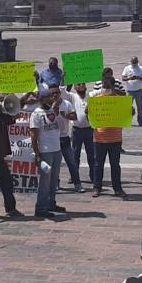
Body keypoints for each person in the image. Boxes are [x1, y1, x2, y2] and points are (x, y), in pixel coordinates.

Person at [29, 85, 66, 217]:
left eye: (52, 96)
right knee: (45, 181)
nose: (52, 98)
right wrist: (38, 155)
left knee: (54, 180)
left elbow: (60, 127)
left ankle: (51, 203)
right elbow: (33, 137)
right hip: (45, 151)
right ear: (42, 99)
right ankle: (40, 208)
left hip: (57, 149)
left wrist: (57, 112)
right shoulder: (36, 114)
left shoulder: (52, 110)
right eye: (49, 96)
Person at [92, 74, 129, 199]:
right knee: (98, 164)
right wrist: (88, 112)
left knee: (115, 165)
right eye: (104, 85)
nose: (105, 87)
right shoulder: (97, 100)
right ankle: (97, 187)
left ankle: (117, 188)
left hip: (115, 139)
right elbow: (90, 120)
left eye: (108, 85)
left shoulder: (120, 101)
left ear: (113, 86)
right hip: (99, 138)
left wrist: (130, 110)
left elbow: (128, 115)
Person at [53, 84, 81, 192]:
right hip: (53, 139)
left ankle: (77, 184)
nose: (55, 95)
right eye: (53, 93)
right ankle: (56, 184)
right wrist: (53, 111)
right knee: (55, 164)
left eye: (57, 93)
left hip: (64, 138)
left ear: (60, 94)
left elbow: (74, 116)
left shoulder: (67, 104)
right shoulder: (48, 105)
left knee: (71, 162)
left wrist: (66, 116)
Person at [70, 83, 95, 186]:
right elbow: (62, 91)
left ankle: (93, 176)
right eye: (78, 85)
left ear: (86, 87)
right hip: (77, 130)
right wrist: (64, 79)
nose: (81, 86)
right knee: (75, 155)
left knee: (91, 155)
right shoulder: (72, 97)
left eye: (82, 84)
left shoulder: (91, 96)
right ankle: (74, 176)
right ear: (74, 87)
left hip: (89, 130)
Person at [122, 56, 142, 126]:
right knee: (128, 107)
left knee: (140, 107)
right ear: (131, 62)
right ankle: (127, 121)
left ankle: (141, 121)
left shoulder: (141, 68)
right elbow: (123, 78)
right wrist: (130, 78)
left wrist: (138, 77)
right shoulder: (127, 68)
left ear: (137, 62)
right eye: (133, 63)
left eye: (135, 63)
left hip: (138, 91)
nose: (134, 64)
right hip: (129, 91)